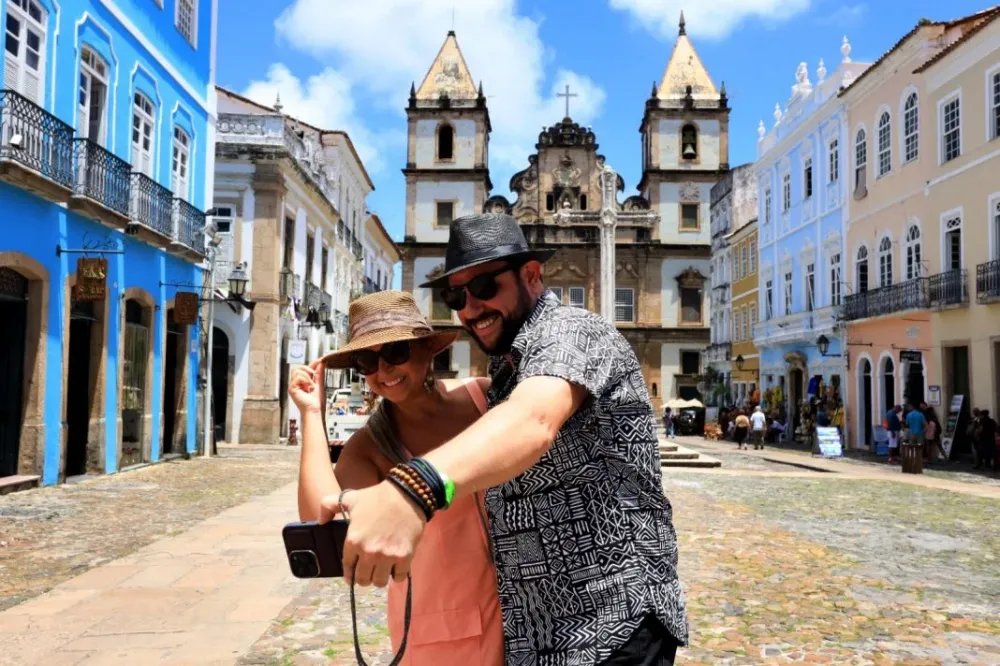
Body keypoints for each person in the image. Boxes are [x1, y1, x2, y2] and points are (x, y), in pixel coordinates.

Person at [333, 214, 687, 664]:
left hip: (612, 623)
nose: (470, 307)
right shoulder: (505, 369)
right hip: (538, 636)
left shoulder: (572, 331)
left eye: (483, 287)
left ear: (531, 275)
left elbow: (533, 421)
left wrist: (415, 489)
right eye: (455, 295)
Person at [289, 291, 504, 665]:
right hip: (442, 629)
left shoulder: (484, 399)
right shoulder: (371, 445)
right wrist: (311, 414)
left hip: (525, 613)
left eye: (395, 353)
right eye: (367, 360)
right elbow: (320, 517)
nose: (383, 371)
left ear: (426, 349)